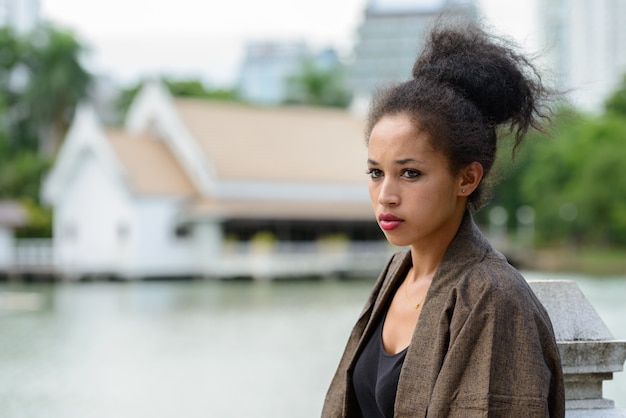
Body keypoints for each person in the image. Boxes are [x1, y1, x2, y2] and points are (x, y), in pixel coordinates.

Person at [322, 20, 565, 418]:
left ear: (466, 178)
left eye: (410, 173)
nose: (386, 195)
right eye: (375, 173)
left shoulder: (493, 299)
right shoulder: (398, 273)